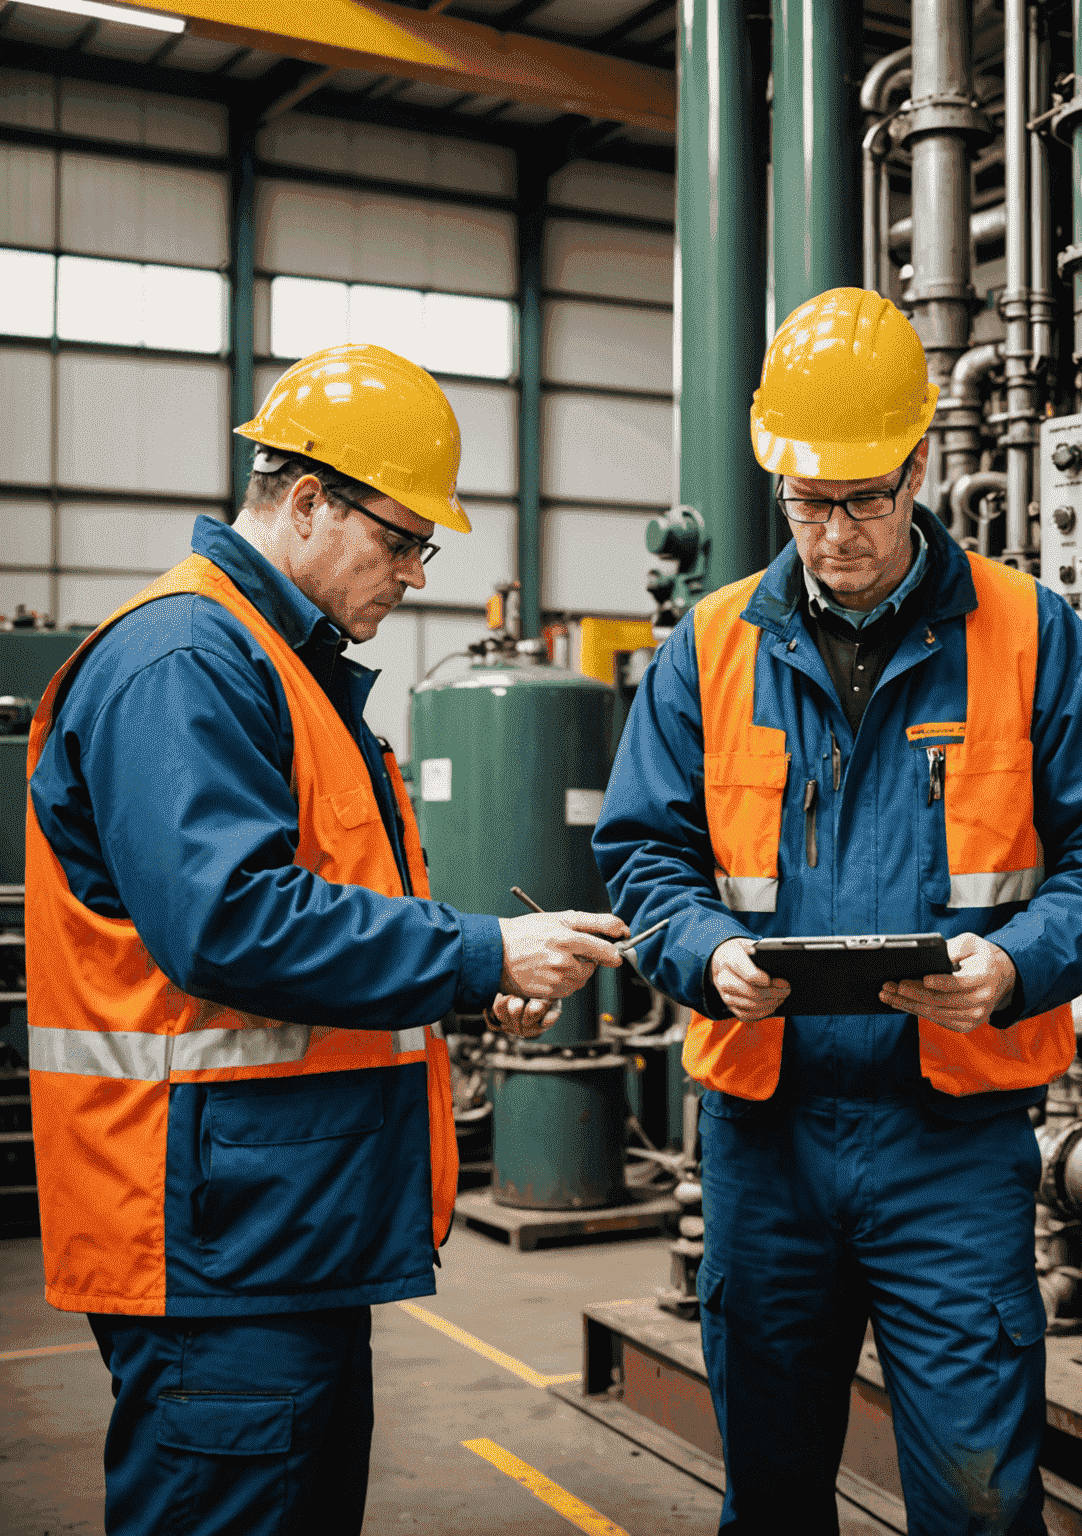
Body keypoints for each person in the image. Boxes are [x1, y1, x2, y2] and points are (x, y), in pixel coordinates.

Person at [26, 343, 627, 1536]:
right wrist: (478, 955)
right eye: (400, 539)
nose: (413, 572)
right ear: (306, 500)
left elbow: (321, 922)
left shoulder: (277, 668)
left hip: (278, 1227)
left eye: (422, 548)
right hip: (213, 1244)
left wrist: (465, 980)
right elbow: (230, 922)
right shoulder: (186, 659)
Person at [594, 289, 1082, 1534]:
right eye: (806, 500)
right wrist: (706, 952)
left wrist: (1010, 970)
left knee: (977, 1497)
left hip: (951, 1136)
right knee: (776, 1492)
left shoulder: (1028, 632)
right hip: (764, 1135)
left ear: (919, 465)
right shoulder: (710, 644)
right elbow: (643, 852)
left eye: (862, 497)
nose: (835, 532)